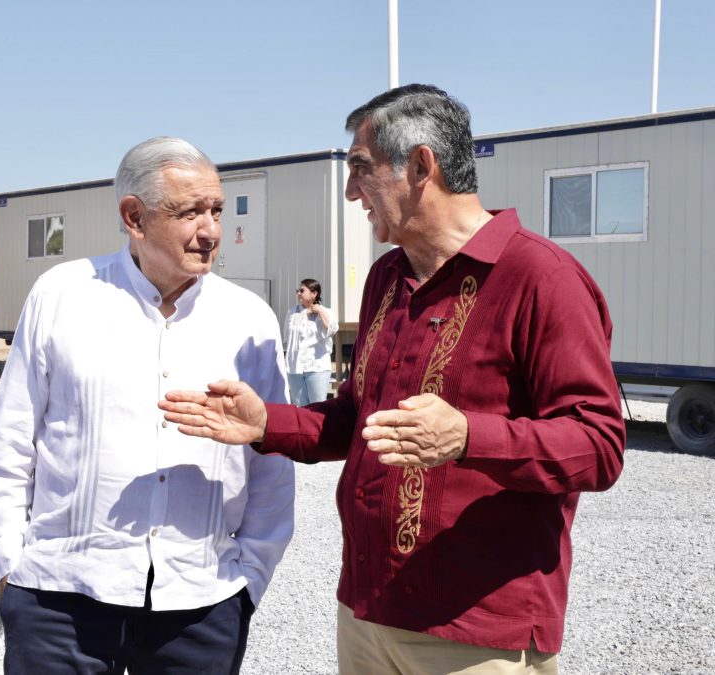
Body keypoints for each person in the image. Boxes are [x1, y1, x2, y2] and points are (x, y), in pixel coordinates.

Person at [160, 85, 625, 674]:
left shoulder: (542, 278)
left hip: (474, 633)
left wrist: (466, 438)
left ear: (420, 165)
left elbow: (599, 448)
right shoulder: (387, 276)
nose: (352, 192)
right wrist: (266, 423)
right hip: (367, 612)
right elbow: (359, 418)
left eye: (361, 169)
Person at [0, 136, 294, 674]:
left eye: (215, 210)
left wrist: (249, 579)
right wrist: (12, 566)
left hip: (201, 600)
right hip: (61, 597)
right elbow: (10, 439)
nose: (211, 230)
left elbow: (271, 461)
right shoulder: (62, 295)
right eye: (189, 211)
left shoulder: (249, 320)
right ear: (134, 217)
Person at [284, 278, 337, 405]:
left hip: (316, 367)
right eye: (298, 290)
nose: (298, 293)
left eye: (302, 290)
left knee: (318, 406)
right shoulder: (291, 313)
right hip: (294, 368)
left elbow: (332, 329)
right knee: (298, 406)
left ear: (314, 293)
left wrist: (319, 310)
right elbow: (286, 339)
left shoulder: (326, 312)